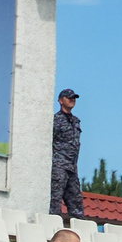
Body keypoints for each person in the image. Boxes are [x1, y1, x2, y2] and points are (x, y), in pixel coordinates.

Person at [50, 88, 83, 222]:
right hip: (59, 166)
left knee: (76, 204)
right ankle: (53, 229)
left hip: (72, 168)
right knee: (55, 203)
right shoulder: (56, 120)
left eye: (74, 97)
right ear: (60, 100)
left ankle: (79, 233)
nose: (72, 100)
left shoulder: (76, 121)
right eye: (69, 97)